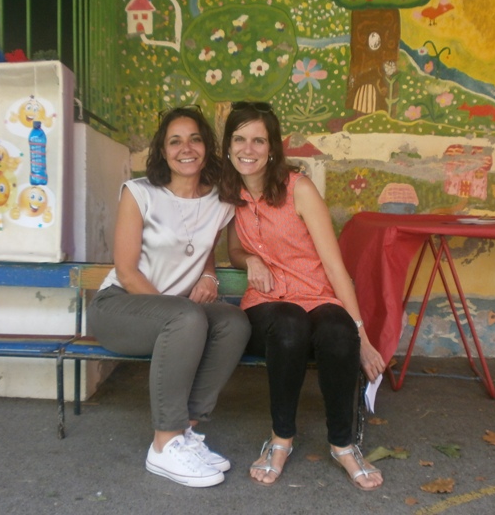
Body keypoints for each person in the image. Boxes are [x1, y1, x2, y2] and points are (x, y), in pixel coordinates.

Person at [219, 101, 385, 490]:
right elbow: (234, 249)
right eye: (239, 139)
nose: (248, 148)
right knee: (290, 324)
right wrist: (250, 261)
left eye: (258, 140)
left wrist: (362, 335)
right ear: (228, 146)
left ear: (273, 147)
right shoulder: (231, 193)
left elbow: (334, 267)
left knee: (339, 332)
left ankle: (343, 445)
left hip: (318, 294)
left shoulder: (299, 189)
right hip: (268, 305)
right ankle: (281, 440)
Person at [88, 105, 251, 488]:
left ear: (207, 147)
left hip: (179, 318)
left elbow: (202, 242)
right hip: (121, 309)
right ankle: (162, 445)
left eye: (195, 138)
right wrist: (174, 311)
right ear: (162, 150)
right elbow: (127, 270)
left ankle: (185, 432)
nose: (186, 148)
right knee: (188, 318)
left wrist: (209, 273)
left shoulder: (220, 200)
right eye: (174, 141)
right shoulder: (139, 192)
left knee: (233, 322)